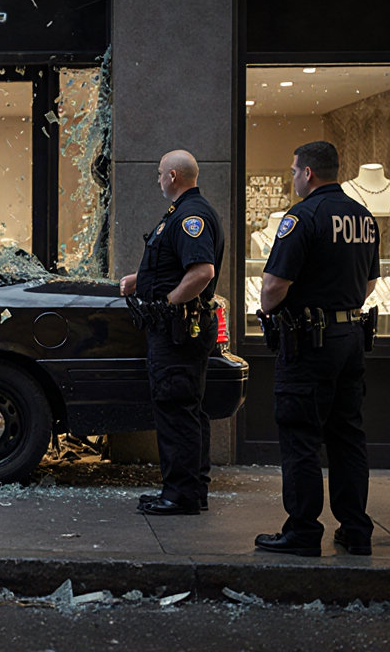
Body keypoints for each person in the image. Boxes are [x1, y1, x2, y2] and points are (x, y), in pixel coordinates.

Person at [253, 141, 379, 557]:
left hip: (310, 342)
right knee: (347, 434)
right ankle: (355, 528)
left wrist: (269, 309)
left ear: (308, 173)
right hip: (350, 338)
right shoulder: (363, 217)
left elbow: (273, 287)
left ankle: (303, 530)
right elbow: (369, 285)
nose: (292, 178)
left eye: (293, 171)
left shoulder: (302, 216)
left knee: (301, 435)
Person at [121, 150, 224, 516]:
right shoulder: (182, 213)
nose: (158, 179)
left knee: (176, 407)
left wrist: (166, 304)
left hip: (178, 330)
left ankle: (179, 495)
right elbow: (178, 265)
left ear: (174, 175)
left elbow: (201, 272)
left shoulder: (190, 216)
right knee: (188, 409)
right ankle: (190, 490)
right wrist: (140, 281)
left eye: (160, 173)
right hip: (180, 328)